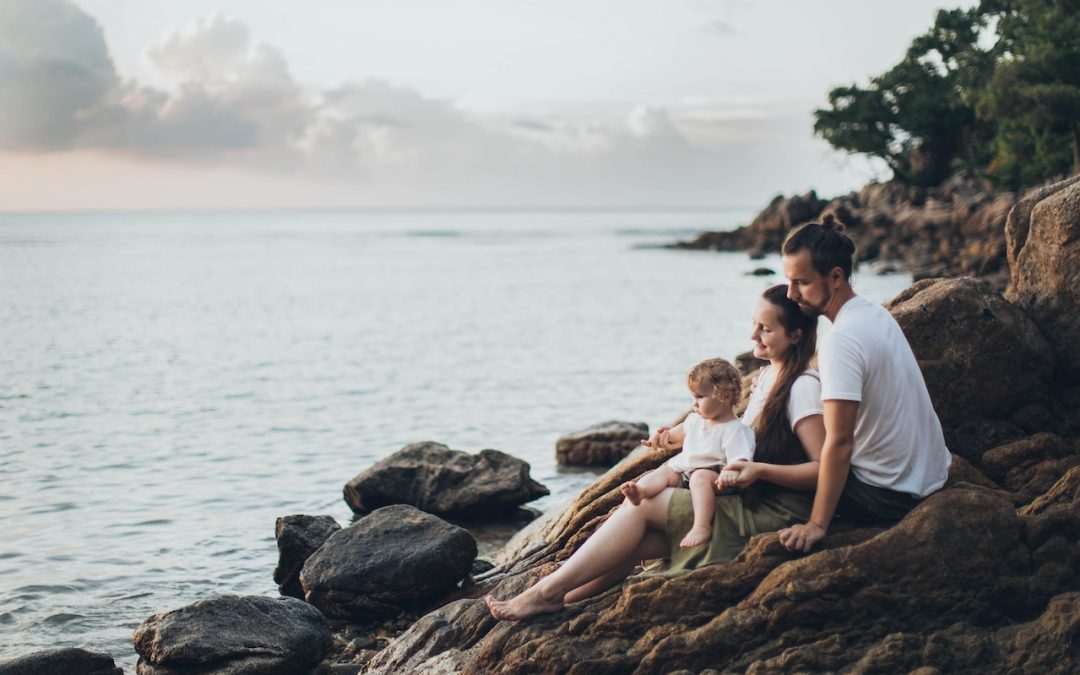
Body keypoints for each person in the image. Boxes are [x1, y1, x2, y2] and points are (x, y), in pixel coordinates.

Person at [486, 284, 824, 620]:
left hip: (772, 510)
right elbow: (732, 433)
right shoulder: (767, 376)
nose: (753, 334)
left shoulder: (803, 388)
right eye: (754, 323)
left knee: (642, 505)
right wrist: (680, 439)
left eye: (765, 328)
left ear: (795, 335)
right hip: (746, 495)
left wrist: (761, 472)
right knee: (637, 537)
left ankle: (545, 592)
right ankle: (567, 597)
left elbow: (824, 470)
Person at [776, 214, 951, 554]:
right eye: (788, 281)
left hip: (887, 495)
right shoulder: (872, 312)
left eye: (802, 282)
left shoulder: (840, 340)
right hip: (930, 477)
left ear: (836, 276)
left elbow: (840, 444)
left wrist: (816, 525)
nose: (791, 293)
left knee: (777, 462)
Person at [620, 358, 755, 549]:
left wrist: (730, 472)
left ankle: (701, 526)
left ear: (724, 397)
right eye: (693, 398)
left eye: (700, 397)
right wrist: (658, 438)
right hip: (686, 473)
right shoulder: (695, 420)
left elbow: (740, 458)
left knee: (700, 477)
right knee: (665, 472)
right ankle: (641, 492)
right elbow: (674, 436)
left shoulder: (735, 430)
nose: (694, 404)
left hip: (715, 478)